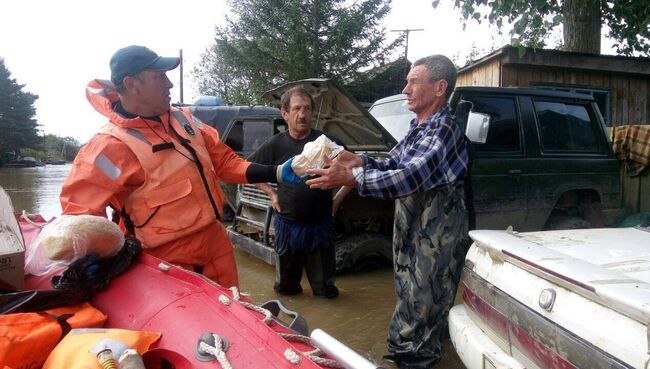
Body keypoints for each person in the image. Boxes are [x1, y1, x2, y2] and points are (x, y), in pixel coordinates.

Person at [60, 45, 301, 289]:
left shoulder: (184, 119)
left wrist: (276, 172)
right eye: (159, 77)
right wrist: (97, 258)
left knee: (232, 318)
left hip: (215, 247)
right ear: (132, 84)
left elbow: (225, 162)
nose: (169, 84)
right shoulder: (109, 145)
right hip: (165, 264)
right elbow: (79, 215)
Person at [307, 55, 469, 368]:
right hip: (412, 236)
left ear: (439, 88)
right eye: (407, 81)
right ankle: (405, 356)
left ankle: (415, 361)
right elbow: (394, 162)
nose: (406, 89)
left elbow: (411, 176)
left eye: (413, 82)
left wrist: (351, 178)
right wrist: (362, 161)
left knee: (424, 308)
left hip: (435, 242)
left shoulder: (444, 129)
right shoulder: (419, 127)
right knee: (409, 301)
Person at [249, 86, 341, 298]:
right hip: (288, 226)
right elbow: (248, 170)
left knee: (325, 290)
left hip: (320, 226)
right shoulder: (275, 144)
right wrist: (272, 194)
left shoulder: (325, 142)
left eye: (307, 109)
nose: (303, 114)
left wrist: (338, 199)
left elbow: (354, 168)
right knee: (286, 289)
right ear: (285, 113)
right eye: (297, 108)